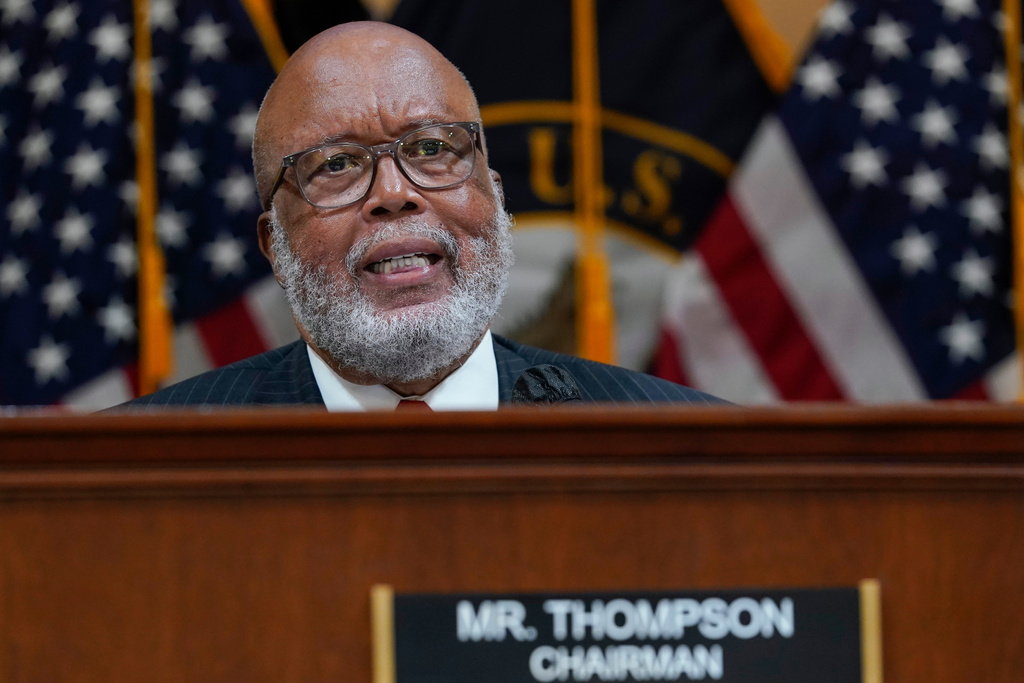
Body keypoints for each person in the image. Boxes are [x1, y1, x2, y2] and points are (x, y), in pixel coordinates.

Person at [122, 22, 720, 410]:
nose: (393, 193)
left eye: (432, 149)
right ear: (274, 247)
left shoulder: (683, 445)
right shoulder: (139, 466)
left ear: (497, 196)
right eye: (336, 165)